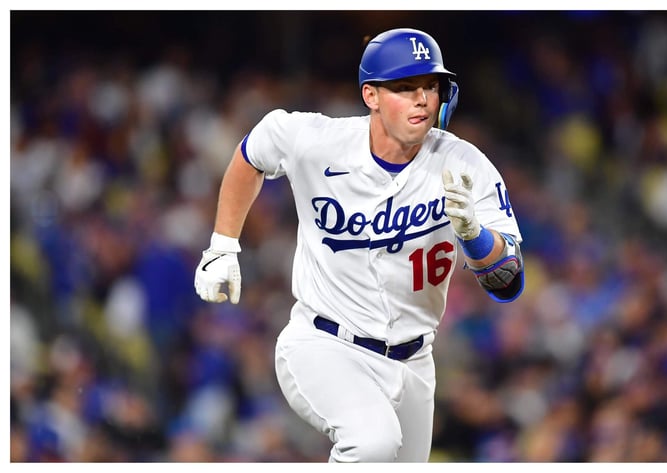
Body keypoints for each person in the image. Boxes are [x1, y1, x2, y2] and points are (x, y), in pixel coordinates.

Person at [194, 27, 525, 462]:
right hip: (326, 343)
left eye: (430, 86)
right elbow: (253, 151)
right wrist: (222, 244)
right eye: (404, 87)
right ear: (371, 95)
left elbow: (508, 282)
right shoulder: (321, 142)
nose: (422, 99)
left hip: (415, 361)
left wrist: (474, 236)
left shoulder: (464, 164)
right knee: (372, 443)